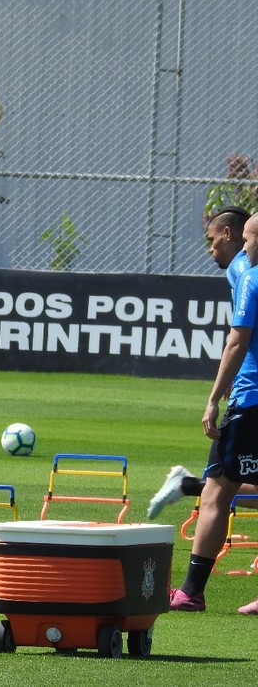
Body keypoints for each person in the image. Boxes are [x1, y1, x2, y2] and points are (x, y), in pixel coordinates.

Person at [170, 212, 258, 614]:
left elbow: (237, 343)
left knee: (216, 491)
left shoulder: (248, 275)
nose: (241, 246)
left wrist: (213, 397)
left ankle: (190, 592)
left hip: (251, 400)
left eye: (246, 239)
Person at [147, 206, 258, 520]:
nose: (211, 249)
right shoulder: (242, 269)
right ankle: (191, 485)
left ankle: (189, 485)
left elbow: (243, 335)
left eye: (213, 240)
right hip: (252, 394)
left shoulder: (240, 268)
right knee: (227, 484)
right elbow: (241, 336)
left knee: (228, 483)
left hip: (249, 390)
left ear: (229, 234)